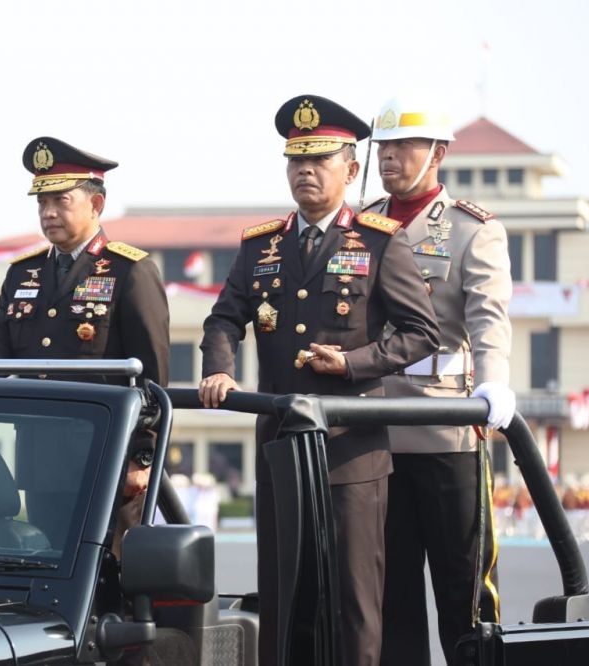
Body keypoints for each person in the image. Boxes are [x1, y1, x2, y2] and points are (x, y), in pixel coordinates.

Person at [199, 94, 440, 666]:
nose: (304, 171)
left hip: (350, 451)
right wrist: (219, 370)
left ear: (351, 169)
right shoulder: (262, 245)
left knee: (355, 602)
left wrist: (353, 364)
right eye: (295, 161)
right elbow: (223, 318)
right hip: (281, 445)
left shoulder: (378, 240)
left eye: (319, 160)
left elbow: (421, 333)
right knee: (285, 595)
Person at [362, 95, 513, 666]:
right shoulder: (365, 225)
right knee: (390, 594)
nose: (390, 158)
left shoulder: (471, 230)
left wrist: (494, 384)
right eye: (384, 147)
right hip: (374, 429)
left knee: (465, 589)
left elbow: (489, 319)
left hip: (445, 429)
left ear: (438, 154)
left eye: (404, 147)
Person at [0, 136, 169, 387]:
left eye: (61, 200)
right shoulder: (22, 272)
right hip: (33, 422)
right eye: (42, 202)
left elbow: (150, 373)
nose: (48, 212)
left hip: (101, 423)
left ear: (95, 205)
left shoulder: (129, 270)